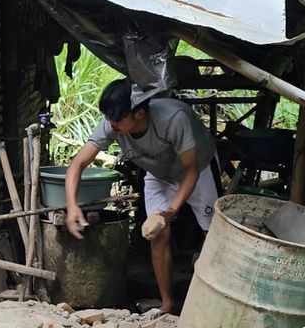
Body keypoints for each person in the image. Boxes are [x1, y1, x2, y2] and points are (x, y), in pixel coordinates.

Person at [64, 78, 218, 315]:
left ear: (138, 113)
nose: (111, 124)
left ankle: (213, 304)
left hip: (198, 169)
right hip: (158, 175)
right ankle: (167, 304)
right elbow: (78, 164)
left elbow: (191, 170)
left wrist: (171, 212)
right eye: (109, 118)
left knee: (213, 236)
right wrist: (72, 206)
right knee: (157, 232)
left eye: (117, 119)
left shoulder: (174, 119)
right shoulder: (111, 124)